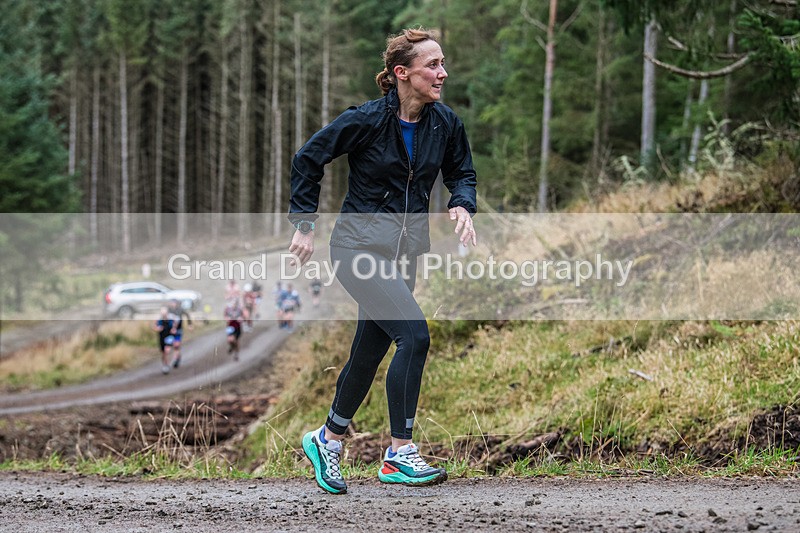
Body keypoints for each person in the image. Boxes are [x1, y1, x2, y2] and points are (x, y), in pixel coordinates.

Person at [288, 28, 477, 494]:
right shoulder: (366, 120)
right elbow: (308, 158)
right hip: (358, 249)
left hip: (405, 252)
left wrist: (462, 203)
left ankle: (327, 439)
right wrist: (304, 225)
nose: (442, 73)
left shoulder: (445, 124)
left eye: (443, 63)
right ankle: (399, 453)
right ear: (402, 73)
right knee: (414, 335)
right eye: (433, 65)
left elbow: (462, 172)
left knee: (370, 351)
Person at [168, 299, 192, 368]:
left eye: (174, 303)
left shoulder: (180, 310)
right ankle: (177, 357)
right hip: (170, 331)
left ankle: (175, 359)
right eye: (171, 303)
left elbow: (187, 315)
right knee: (171, 345)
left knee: (176, 345)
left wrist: (189, 324)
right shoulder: (168, 310)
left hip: (178, 330)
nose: (173, 304)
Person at [153, 307, 176, 374]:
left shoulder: (171, 319)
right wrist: (157, 329)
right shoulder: (158, 320)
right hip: (161, 337)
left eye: (165, 313)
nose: (164, 315)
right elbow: (154, 327)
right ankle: (165, 364)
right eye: (163, 313)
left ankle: (166, 365)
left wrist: (173, 329)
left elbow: (174, 326)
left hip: (169, 336)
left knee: (167, 351)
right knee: (163, 353)